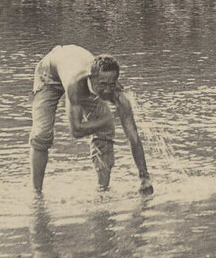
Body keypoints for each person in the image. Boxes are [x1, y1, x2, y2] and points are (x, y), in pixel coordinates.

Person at [28, 44, 152, 194]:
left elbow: (133, 137)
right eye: (103, 85)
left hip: (77, 67)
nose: (107, 90)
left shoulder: (118, 95)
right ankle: (37, 194)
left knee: (105, 133)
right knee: (42, 135)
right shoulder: (75, 86)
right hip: (48, 74)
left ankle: (103, 191)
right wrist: (106, 121)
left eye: (111, 85)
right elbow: (76, 130)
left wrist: (144, 177)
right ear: (91, 78)